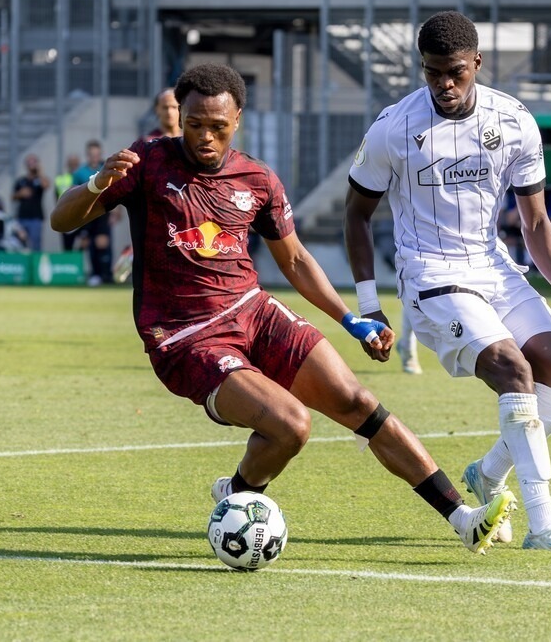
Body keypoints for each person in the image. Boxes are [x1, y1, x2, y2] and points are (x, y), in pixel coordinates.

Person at [50, 62, 513, 554]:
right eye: (194, 124)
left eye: (218, 126)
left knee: (357, 402)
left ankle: (463, 519)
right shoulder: (146, 163)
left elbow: (293, 259)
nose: (205, 137)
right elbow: (62, 220)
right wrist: (98, 184)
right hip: (185, 337)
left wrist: (350, 318)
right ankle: (239, 496)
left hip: (254, 311)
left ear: (238, 119)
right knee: (291, 425)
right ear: (178, 117)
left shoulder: (257, 179)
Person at [345, 11, 551, 555]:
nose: (443, 83)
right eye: (432, 72)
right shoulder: (394, 127)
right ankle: (544, 524)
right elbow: (356, 215)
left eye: (455, 72)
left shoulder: (513, 121)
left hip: (493, 267)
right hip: (431, 276)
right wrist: (369, 304)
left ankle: (486, 473)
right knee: (514, 369)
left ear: (477, 64)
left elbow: (535, 222)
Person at [72, 140, 115, 285]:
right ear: (88, 155)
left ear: (100, 154)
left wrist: (117, 212)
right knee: (89, 243)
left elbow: (116, 190)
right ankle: (95, 274)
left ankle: (106, 275)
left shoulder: (107, 169)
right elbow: (74, 193)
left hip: (103, 211)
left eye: (97, 154)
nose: (94, 157)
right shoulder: (80, 173)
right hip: (88, 213)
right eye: (92, 155)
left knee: (103, 243)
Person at [12, 154, 50, 250]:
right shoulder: (21, 181)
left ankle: (35, 264)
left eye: (34, 162)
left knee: (36, 243)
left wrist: (40, 172)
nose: (31, 165)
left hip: (36, 217)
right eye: (29, 162)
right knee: (20, 243)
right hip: (22, 217)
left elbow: (46, 185)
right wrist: (20, 194)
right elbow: (13, 196)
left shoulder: (39, 180)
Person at [55, 154, 83, 252]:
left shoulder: (82, 176)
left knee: (83, 244)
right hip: (66, 214)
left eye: (75, 163)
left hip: (81, 215)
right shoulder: (61, 179)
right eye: (71, 163)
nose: (73, 165)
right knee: (67, 246)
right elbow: (56, 196)